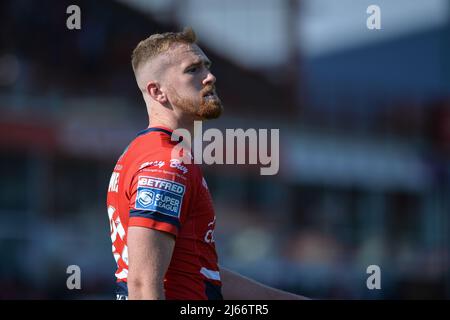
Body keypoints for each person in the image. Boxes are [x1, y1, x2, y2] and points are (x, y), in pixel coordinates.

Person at [106, 27, 308, 300]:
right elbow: (142, 285)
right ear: (158, 91)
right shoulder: (166, 164)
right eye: (193, 70)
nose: (210, 77)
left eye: (207, 66)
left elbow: (200, 272)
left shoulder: (147, 152)